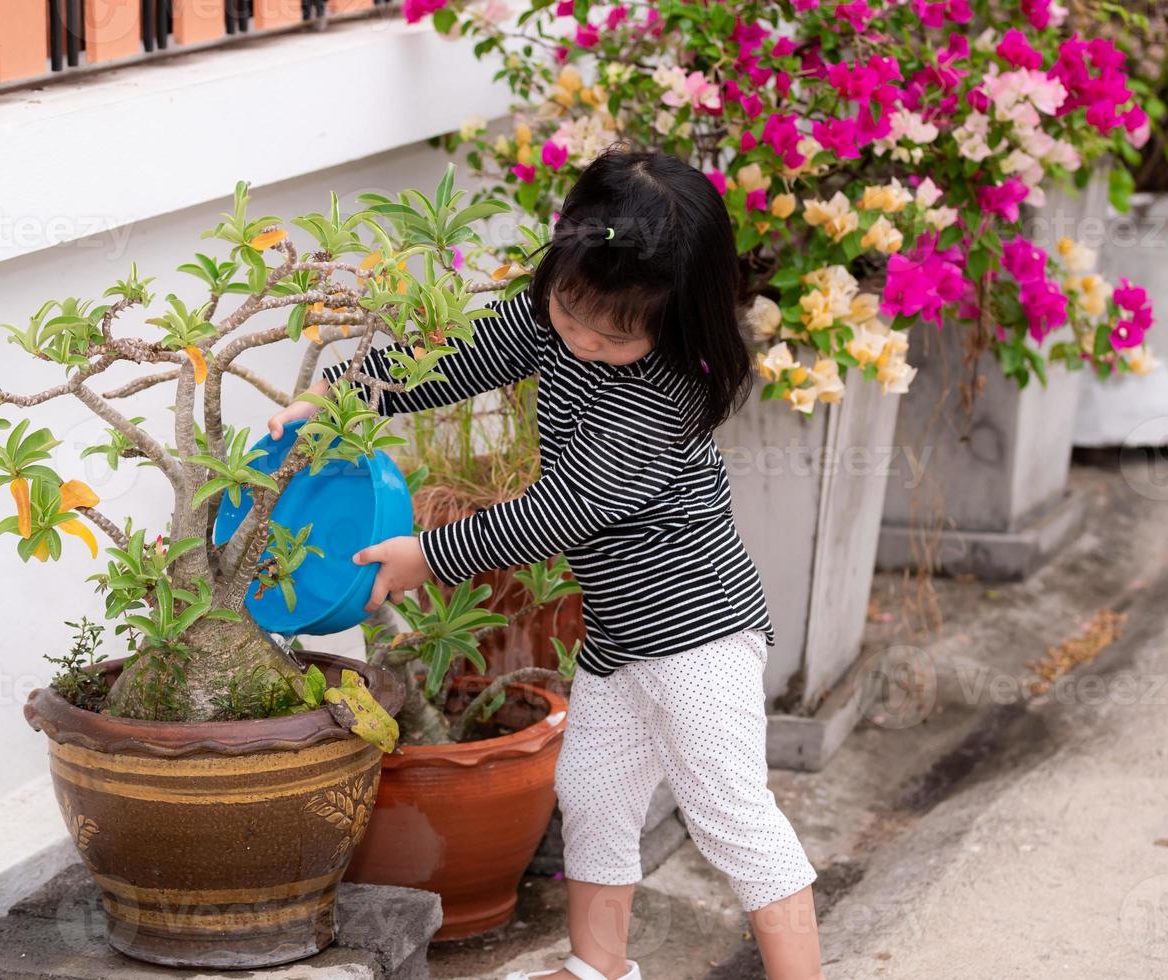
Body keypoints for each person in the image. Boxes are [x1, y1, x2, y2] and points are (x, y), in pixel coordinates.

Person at [268, 147, 823, 980]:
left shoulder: (661, 399)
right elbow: (452, 363)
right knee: (595, 795)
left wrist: (427, 556)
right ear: (559, 265)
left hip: (698, 639)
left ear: (677, 319)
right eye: (571, 314)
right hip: (618, 639)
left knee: (731, 819)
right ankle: (595, 968)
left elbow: (558, 510)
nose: (584, 341)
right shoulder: (552, 317)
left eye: (616, 333)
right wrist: (342, 395)